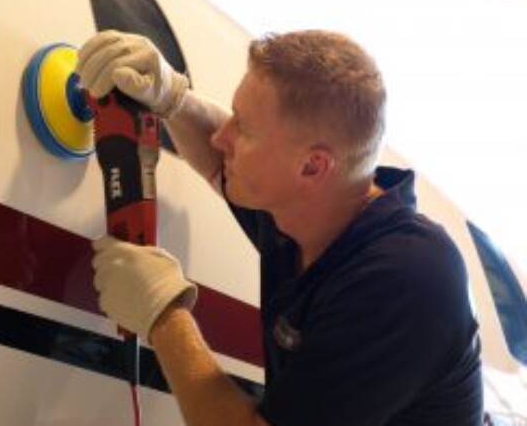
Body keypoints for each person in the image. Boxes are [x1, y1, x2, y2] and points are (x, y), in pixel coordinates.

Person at [77, 29, 483, 426]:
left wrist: (163, 314)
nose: (221, 137)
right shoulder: (308, 215)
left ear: (312, 167)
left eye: (243, 128)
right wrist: (173, 97)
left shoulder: (407, 277)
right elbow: (220, 166)